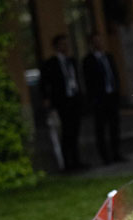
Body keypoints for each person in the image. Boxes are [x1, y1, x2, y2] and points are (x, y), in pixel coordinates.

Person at [41, 34, 84, 170]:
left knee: (75, 130)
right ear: (56, 47)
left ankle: (76, 160)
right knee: (66, 131)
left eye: (66, 44)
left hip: (74, 99)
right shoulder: (51, 64)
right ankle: (66, 163)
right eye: (62, 44)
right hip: (62, 101)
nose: (65, 47)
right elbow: (44, 83)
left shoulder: (71, 61)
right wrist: (46, 99)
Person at [83, 33, 126, 164]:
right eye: (96, 41)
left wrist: (117, 90)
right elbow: (88, 81)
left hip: (111, 96)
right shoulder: (88, 61)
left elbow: (114, 75)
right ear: (91, 44)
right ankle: (105, 157)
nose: (99, 43)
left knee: (115, 126)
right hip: (100, 99)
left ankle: (116, 153)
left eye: (100, 40)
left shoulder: (108, 57)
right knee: (101, 128)